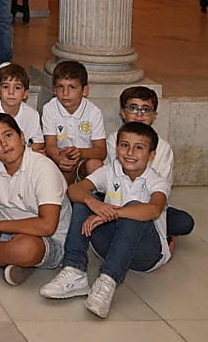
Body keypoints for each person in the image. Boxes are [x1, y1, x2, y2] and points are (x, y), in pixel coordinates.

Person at [39, 122, 171, 317]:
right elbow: (74, 189)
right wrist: (95, 204)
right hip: (108, 246)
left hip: (146, 254)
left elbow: (153, 209)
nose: (130, 152)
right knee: (85, 199)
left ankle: (108, 281)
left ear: (152, 156)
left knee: (134, 208)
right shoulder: (110, 171)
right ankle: (74, 271)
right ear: (116, 148)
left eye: (139, 148)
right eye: (124, 145)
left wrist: (112, 213)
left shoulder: (157, 181)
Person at [0, 113, 71, 286]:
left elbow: (48, 225)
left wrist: (1, 226)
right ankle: (12, 258)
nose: (4, 144)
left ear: (22, 137)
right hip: (8, 229)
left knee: (26, 248)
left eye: (8, 135)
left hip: (48, 239)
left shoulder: (43, 167)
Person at [116, 86, 195, 242]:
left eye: (146, 110)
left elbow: (161, 188)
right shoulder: (114, 141)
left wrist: (143, 210)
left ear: (154, 115)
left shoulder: (163, 148)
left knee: (184, 222)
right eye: (133, 108)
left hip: (149, 205)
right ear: (123, 113)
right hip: (117, 203)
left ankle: (156, 233)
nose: (139, 115)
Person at [42, 60, 108, 182]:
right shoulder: (49, 108)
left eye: (72, 87)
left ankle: (93, 195)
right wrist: (58, 158)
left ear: (85, 90)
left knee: (95, 165)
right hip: (60, 159)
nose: (65, 93)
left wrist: (79, 153)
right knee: (45, 160)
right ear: (54, 90)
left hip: (84, 159)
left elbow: (101, 151)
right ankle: (65, 196)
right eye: (60, 87)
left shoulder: (93, 112)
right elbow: (50, 145)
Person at [0, 64, 44, 150]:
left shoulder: (32, 114)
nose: (11, 92)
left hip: (25, 157)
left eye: (17, 88)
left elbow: (38, 143)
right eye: (5, 87)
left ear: (25, 94)